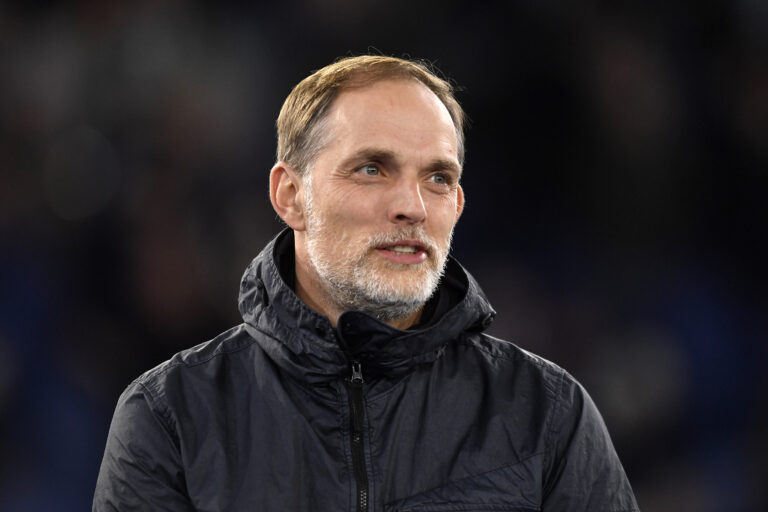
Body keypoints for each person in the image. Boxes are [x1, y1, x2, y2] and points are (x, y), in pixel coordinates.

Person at [93, 55, 640, 512]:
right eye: (372, 169)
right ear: (290, 196)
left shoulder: (547, 412)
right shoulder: (169, 418)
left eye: (438, 177)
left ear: (458, 204)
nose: (412, 206)